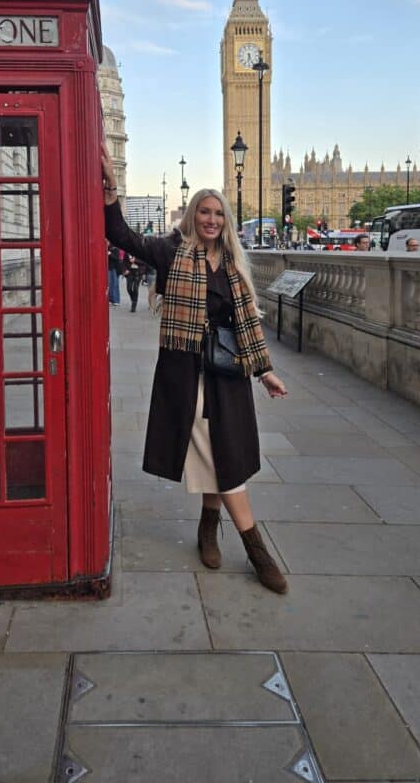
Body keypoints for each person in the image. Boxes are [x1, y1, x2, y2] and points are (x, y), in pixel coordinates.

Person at [101, 143, 289, 594]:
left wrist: (265, 371)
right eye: (204, 212)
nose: (211, 220)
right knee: (218, 454)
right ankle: (256, 549)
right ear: (192, 215)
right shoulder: (171, 252)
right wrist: (109, 191)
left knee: (222, 452)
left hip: (226, 374)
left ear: (224, 221)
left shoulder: (233, 267)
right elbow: (122, 237)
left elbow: (245, 323)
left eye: (218, 214)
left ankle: (209, 525)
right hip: (185, 371)